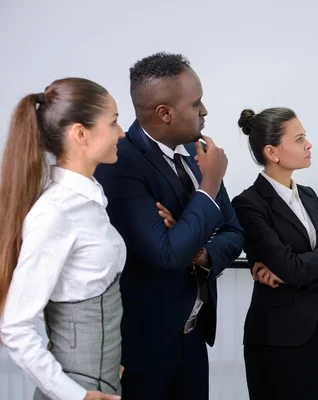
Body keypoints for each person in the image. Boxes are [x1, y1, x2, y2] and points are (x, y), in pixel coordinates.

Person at [94, 52, 244, 400]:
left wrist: (201, 253)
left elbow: (234, 232)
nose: (205, 111)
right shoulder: (119, 162)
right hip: (143, 349)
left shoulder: (198, 152)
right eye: (196, 104)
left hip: (192, 340)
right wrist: (209, 186)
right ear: (165, 113)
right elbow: (166, 253)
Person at [0, 78, 126, 400]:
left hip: (104, 384)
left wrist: (107, 362)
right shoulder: (56, 213)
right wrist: (75, 394)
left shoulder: (88, 202)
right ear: (81, 134)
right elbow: (14, 328)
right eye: (113, 122)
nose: (121, 133)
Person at [231, 107, 318, 400]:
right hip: (277, 340)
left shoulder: (308, 195)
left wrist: (295, 273)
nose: (308, 145)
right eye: (299, 139)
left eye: (305, 137)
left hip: (317, 332)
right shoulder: (249, 204)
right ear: (272, 152)